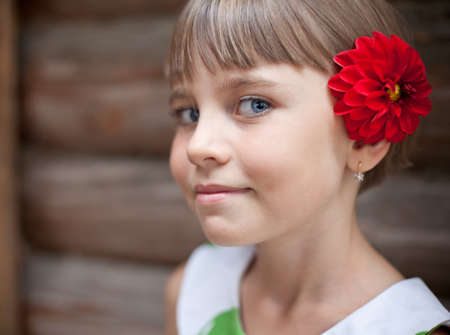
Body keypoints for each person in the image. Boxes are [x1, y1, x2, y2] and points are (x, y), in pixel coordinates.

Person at [164, 0, 450, 334]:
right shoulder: (194, 295)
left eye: (254, 104)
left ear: (364, 140)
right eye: (189, 113)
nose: (198, 146)